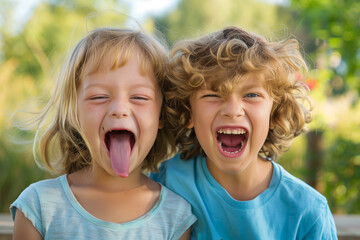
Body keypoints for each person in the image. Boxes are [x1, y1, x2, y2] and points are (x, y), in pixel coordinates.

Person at [151, 26, 337, 239]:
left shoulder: (308, 212)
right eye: (213, 95)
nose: (232, 111)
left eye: (251, 95)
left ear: (274, 113)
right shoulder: (165, 183)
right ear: (189, 112)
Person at [10, 27, 196, 240]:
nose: (119, 109)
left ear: (161, 115)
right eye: (98, 97)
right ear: (74, 113)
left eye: (139, 97)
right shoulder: (39, 206)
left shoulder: (175, 215)